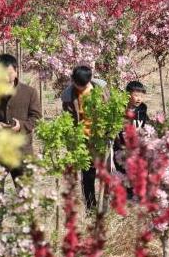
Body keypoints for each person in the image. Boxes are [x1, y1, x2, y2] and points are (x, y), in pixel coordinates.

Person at [0, 54, 41, 205]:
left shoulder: (29, 92)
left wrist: (21, 126)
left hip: (22, 150)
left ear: (16, 71)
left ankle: (27, 226)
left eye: (8, 72)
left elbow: (36, 118)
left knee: (25, 192)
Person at [61, 65, 107, 211]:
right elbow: (68, 121)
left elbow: (111, 111)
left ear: (90, 80)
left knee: (108, 172)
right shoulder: (68, 96)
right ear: (72, 80)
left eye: (84, 85)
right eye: (77, 85)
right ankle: (91, 207)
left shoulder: (101, 90)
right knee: (88, 175)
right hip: (83, 140)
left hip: (101, 138)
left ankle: (105, 206)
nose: (80, 88)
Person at [113, 80, 149, 200]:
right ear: (128, 95)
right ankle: (125, 197)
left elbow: (146, 126)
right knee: (124, 174)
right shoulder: (120, 111)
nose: (139, 98)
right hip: (122, 149)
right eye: (136, 95)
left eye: (141, 95)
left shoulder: (143, 110)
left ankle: (137, 196)